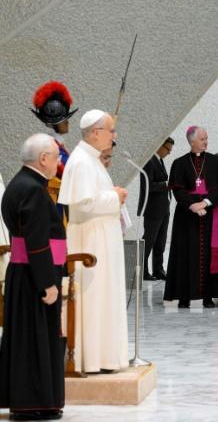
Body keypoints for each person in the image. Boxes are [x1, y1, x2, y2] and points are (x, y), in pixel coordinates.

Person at [0, 134, 65, 420]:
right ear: (42, 159)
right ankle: (33, 404)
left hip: (23, 273)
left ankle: (31, 401)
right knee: (36, 339)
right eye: (55, 156)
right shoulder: (34, 190)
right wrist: (48, 282)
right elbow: (37, 242)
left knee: (26, 339)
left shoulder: (19, 184)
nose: (58, 162)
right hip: (34, 278)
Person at [58, 110, 129, 372]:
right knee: (95, 298)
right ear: (96, 133)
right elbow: (84, 204)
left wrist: (112, 195)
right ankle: (91, 358)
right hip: (90, 242)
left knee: (104, 298)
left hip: (101, 240)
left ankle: (106, 357)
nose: (115, 136)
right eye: (111, 131)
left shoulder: (93, 160)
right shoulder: (81, 162)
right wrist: (115, 196)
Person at [164, 126, 218, 309]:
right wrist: (192, 205)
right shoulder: (180, 163)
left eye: (206, 138)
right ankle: (184, 296)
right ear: (192, 142)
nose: (206, 141)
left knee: (208, 255)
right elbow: (177, 189)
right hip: (187, 217)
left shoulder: (215, 161)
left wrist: (205, 203)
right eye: (202, 139)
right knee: (185, 255)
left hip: (209, 214)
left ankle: (207, 296)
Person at [30, 81, 78, 220]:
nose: (68, 122)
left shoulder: (56, 145)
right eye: (64, 120)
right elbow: (68, 174)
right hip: (54, 209)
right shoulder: (52, 149)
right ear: (54, 124)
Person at [138, 137, 174, 281]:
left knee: (161, 241)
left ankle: (158, 269)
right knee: (149, 241)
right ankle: (143, 271)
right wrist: (166, 184)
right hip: (153, 210)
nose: (169, 153)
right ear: (160, 145)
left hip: (163, 208)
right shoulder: (149, 161)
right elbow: (148, 186)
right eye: (168, 149)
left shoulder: (159, 160)